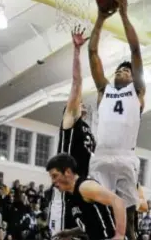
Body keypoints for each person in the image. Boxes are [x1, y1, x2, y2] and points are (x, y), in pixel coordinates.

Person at [88, 0, 146, 240]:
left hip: (125, 158)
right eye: (119, 69)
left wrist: (123, 15)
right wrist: (100, 19)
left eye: (127, 70)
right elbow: (92, 53)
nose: (122, 71)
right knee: (96, 217)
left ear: (133, 78)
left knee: (129, 221)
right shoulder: (104, 89)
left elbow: (135, 49)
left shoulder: (137, 91)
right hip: (101, 157)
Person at [47, 25, 96, 236]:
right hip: (66, 192)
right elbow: (77, 83)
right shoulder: (70, 122)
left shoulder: (88, 130)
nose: (81, 102)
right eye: (77, 103)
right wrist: (77, 51)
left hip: (84, 190)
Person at [46, 154, 126, 240]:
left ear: (67, 172)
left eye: (55, 176)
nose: (53, 181)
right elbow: (93, 224)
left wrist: (120, 235)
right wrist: (71, 232)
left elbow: (118, 201)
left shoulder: (85, 187)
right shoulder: (73, 194)